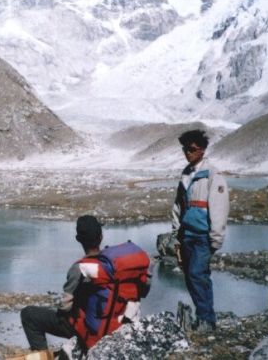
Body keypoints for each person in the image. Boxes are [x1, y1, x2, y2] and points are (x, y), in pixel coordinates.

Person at [19, 215, 149, 356]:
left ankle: (42, 356)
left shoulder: (79, 268)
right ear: (101, 237)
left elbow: (65, 306)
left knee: (29, 314)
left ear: (78, 239)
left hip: (90, 330)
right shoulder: (116, 266)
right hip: (118, 325)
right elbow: (144, 291)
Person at [171, 129, 229, 333]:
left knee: (197, 274)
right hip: (187, 235)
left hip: (203, 235)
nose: (188, 153)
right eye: (185, 149)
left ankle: (206, 320)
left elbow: (219, 207)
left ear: (202, 150)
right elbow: (179, 205)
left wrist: (216, 238)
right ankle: (204, 317)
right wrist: (176, 233)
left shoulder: (213, 174)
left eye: (192, 149)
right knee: (191, 276)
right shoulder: (185, 175)